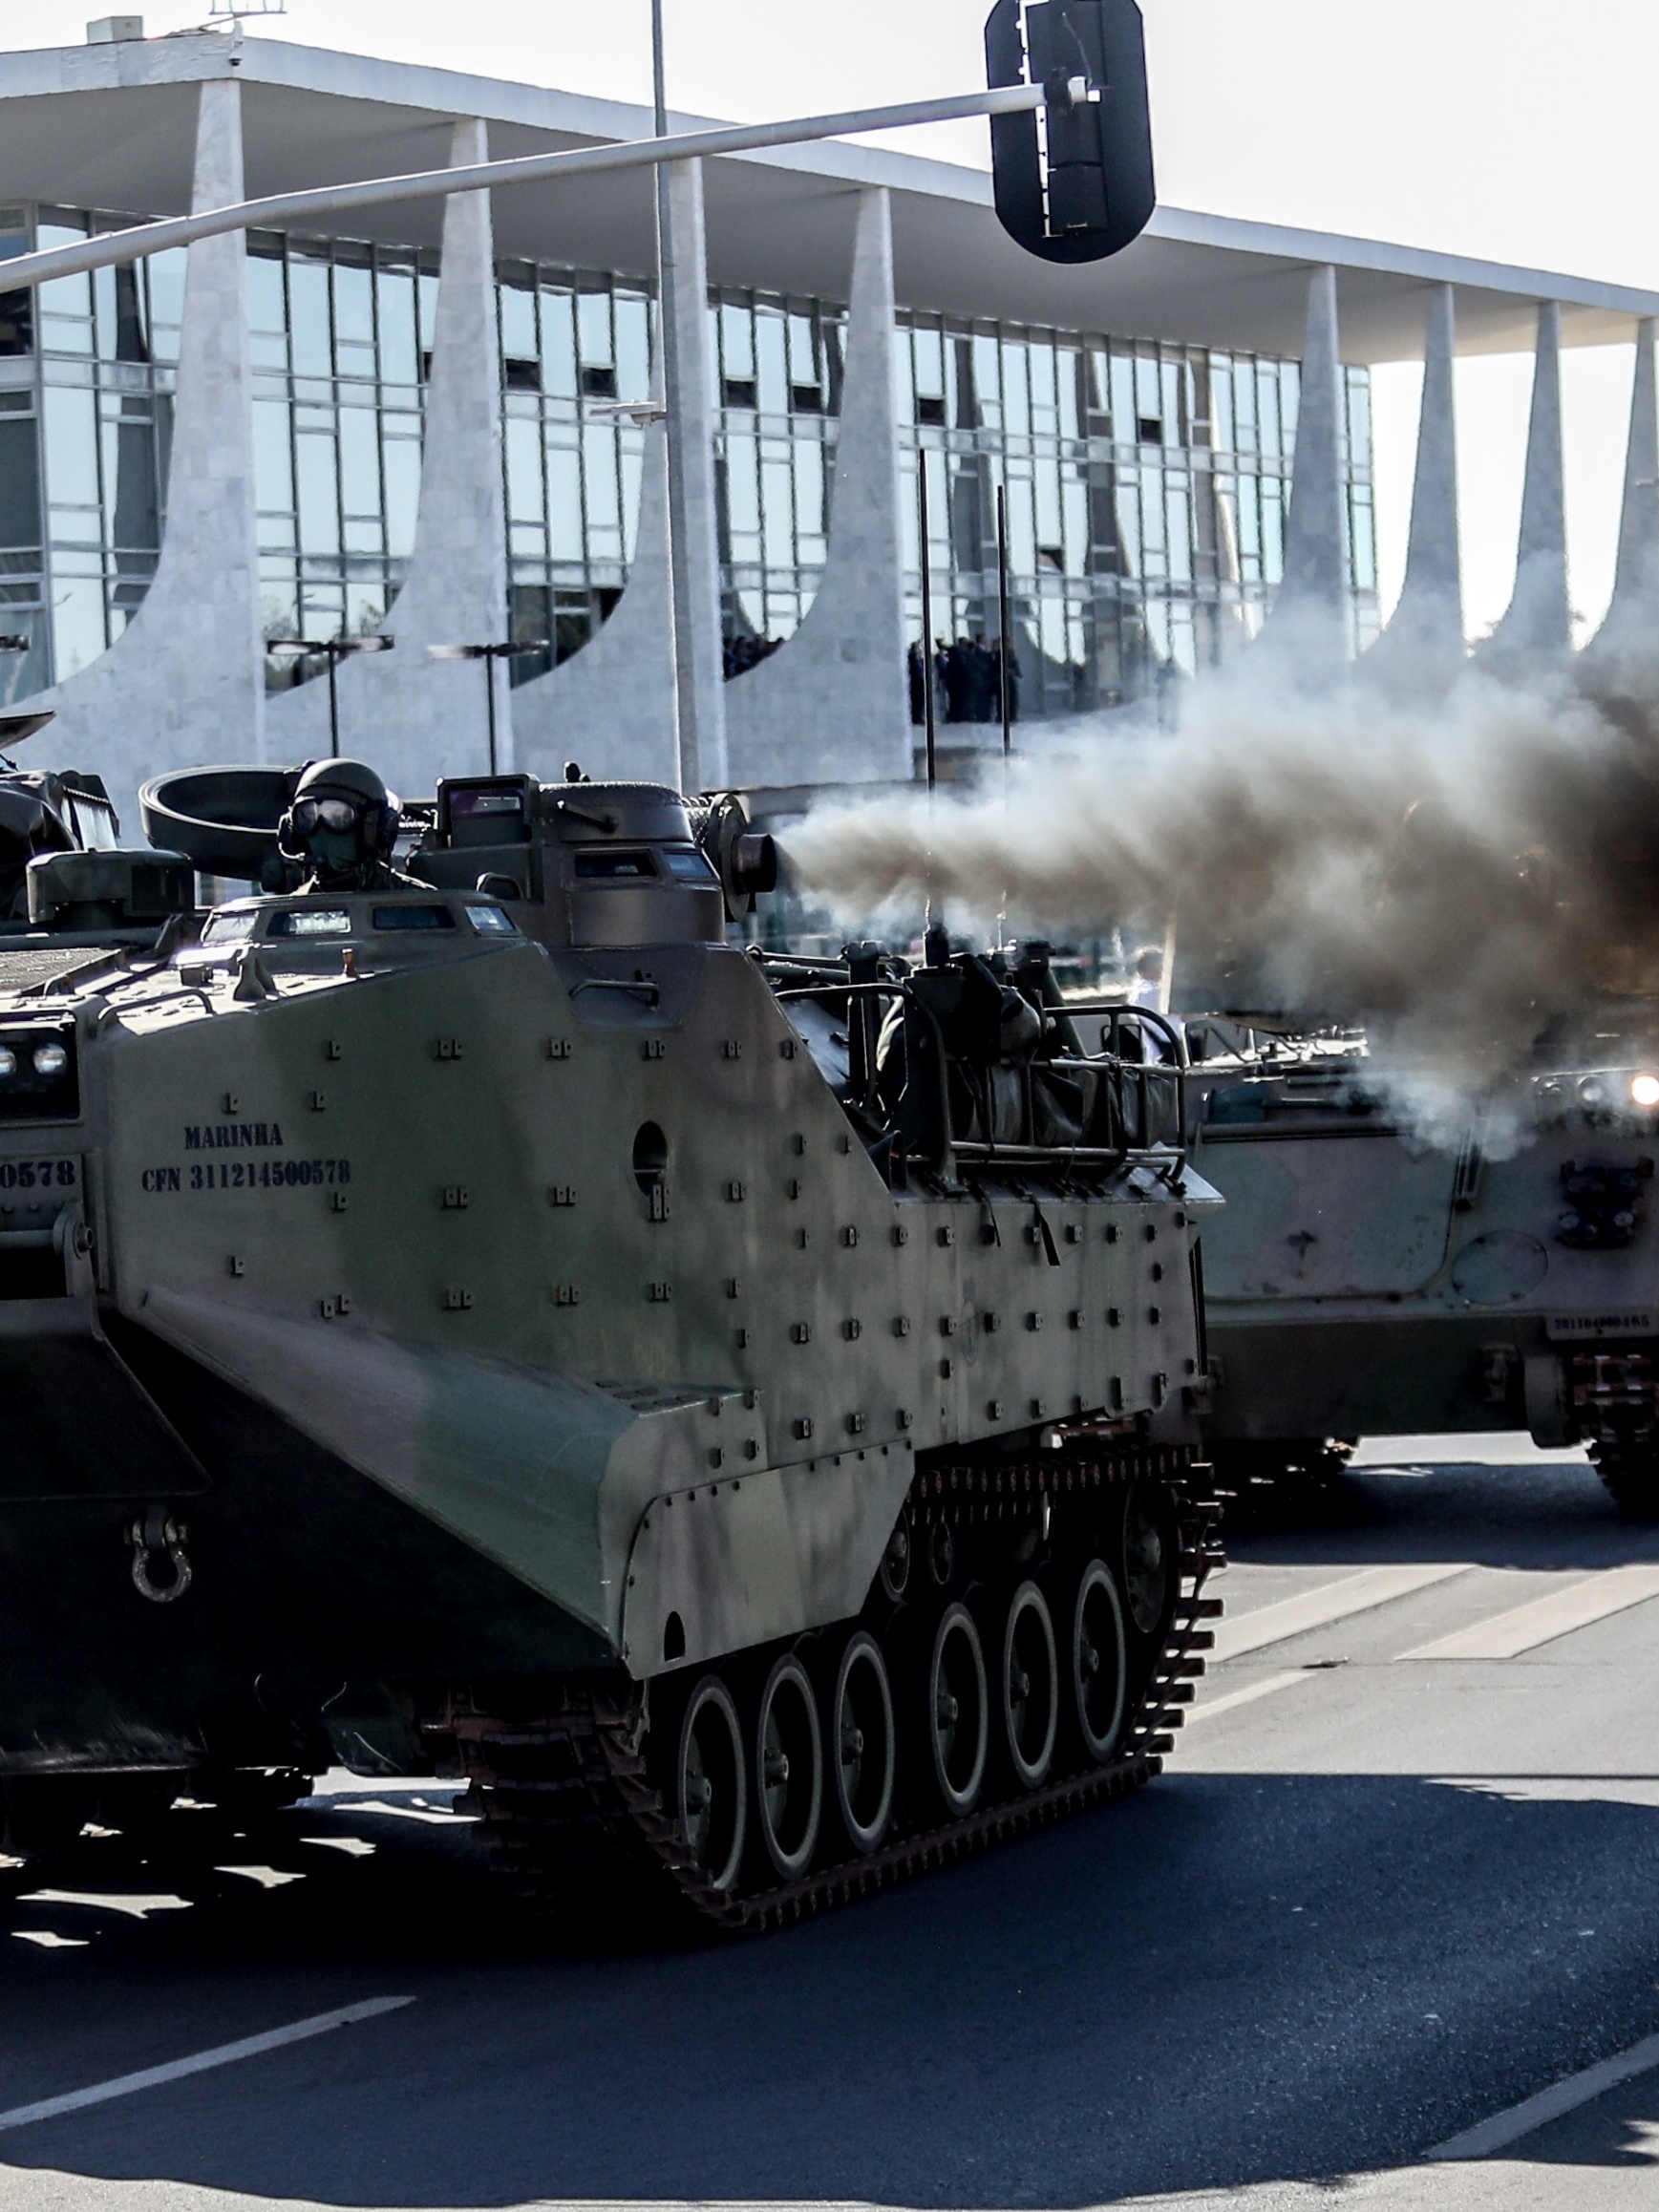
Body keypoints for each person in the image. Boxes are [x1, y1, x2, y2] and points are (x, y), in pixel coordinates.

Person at [276, 757, 410, 893]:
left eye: (338, 817)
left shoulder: (418, 905)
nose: (321, 829)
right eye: (309, 818)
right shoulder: (289, 911)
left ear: (374, 826)